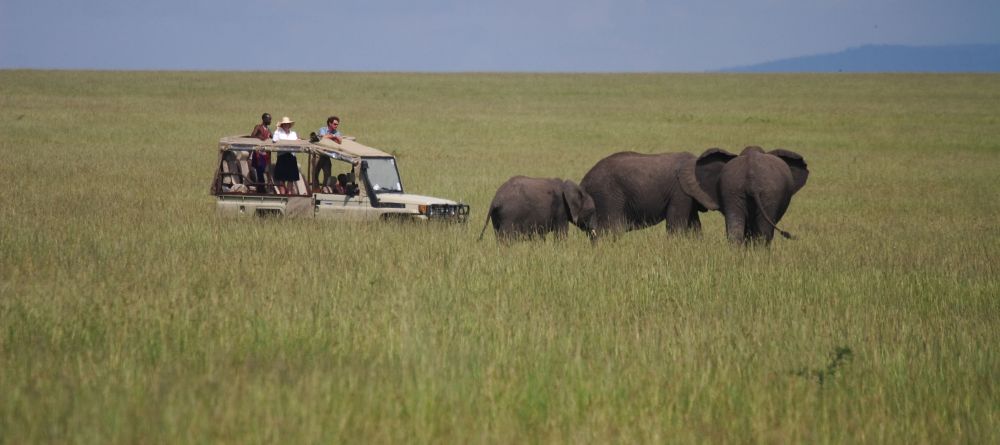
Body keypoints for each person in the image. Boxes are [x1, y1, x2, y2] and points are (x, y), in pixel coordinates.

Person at [272, 117, 300, 194]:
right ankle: (282, 194)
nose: (287, 125)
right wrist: (277, 129)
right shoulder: (278, 132)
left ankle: (289, 193)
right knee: (281, 179)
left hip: (291, 156)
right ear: (282, 125)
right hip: (282, 156)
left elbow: (297, 142)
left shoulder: (293, 133)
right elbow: (274, 140)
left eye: (288, 124)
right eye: (285, 124)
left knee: (291, 179)